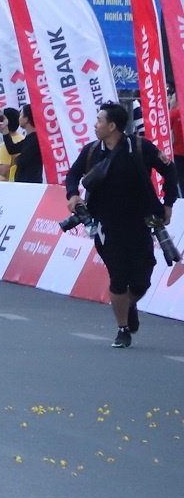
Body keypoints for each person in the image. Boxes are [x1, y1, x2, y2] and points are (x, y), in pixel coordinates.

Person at [63, 102, 178, 348]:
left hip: (139, 223)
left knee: (141, 280)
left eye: (99, 120)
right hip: (105, 226)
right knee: (118, 277)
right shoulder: (92, 151)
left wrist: (168, 203)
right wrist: (73, 194)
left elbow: (169, 170)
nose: (95, 125)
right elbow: (72, 175)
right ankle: (123, 329)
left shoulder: (141, 147)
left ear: (112, 126)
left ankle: (129, 303)